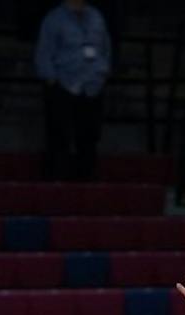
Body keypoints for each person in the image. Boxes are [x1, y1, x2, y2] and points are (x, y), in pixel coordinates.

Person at [34, 0, 111, 181]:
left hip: (92, 86)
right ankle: (57, 181)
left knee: (89, 137)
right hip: (64, 83)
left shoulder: (97, 17)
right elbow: (44, 51)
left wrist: (103, 71)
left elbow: (106, 47)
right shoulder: (54, 19)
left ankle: (87, 181)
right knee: (59, 136)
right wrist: (52, 80)